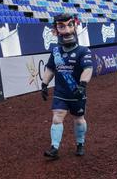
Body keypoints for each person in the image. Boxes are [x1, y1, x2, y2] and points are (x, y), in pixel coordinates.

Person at [40, 13, 93, 159]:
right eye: (62, 27)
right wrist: (44, 84)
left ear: (75, 26)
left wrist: (82, 85)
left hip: (77, 92)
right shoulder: (56, 51)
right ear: (56, 30)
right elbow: (50, 68)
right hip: (61, 92)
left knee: (79, 119)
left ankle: (80, 144)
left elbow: (88, 69)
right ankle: (54, 148)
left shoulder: (84, 51)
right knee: (57, 118)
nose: (67, 30)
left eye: (70, 25)